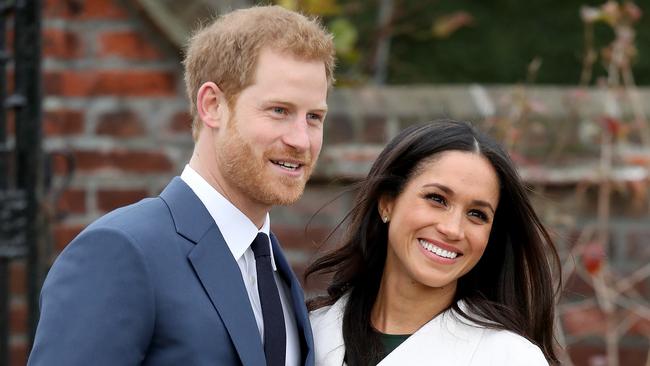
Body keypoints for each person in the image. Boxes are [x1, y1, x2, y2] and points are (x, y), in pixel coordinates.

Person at [28, 5, 335, 366]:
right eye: (279, 110)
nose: (302, 139)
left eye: (314, 117)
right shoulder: (121, 251)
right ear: (212, 105)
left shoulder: (274, 270)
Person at [305, 120, 562, 365]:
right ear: (387, 203)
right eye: (437, 199)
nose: (452, 229)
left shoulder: (511, 358)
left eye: (477, 214)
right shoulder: (309, 333)